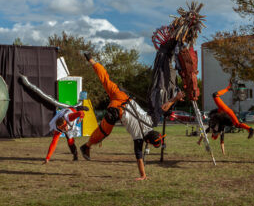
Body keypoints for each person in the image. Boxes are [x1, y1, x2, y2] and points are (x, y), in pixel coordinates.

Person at [79, 52, 185, 180]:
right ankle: (87, 145)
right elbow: (139, 159)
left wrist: (176, 98)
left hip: (123, 96)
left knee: (105, 80)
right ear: (147, 141)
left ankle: (91, 60)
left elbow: (164, 107)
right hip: (117, 110)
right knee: (104, 131)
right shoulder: (138, 138)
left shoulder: (152, 121)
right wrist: (143, 175)